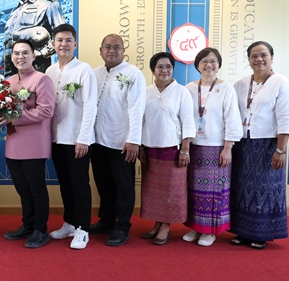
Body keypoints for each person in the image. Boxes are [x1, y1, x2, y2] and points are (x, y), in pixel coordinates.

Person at [231, 41, 289, 249]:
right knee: (241, 188)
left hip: (268, 144)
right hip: (242, 143)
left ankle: (260, 234)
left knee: (264, 189)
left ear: (272, 57)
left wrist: (280, 150)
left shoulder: (281, 83)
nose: (259, 59)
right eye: (254, 56)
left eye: (263, 55)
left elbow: (285, 119)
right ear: (248, 60)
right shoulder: (240, 84)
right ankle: (242, 232)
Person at [89, 33, 145, 246]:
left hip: (122, 142)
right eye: (107, 46)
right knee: (103, 183)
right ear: (101, 50)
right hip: (98, 140)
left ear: (123, 51)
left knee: (124, 185)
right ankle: (106, 220)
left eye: (117, 47)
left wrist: (134, 140)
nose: (111, 50)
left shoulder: (133, 74)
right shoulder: (94, 73)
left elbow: (137, 108)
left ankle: (122, 226)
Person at [183, 48, 242, 246]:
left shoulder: (226, 88)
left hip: (216, 146)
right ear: (197, 65)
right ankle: (196, 227)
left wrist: (228, 148)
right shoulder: (189, 88)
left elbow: (232, 119)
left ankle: (210, 230)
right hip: (194, 146)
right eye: (205, 61)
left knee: (214, 191)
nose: (209, 64)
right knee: (193, 189)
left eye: (214, 61)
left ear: (219, 64)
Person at [45, 24, 97, 249]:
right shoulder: (50, 71)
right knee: (64, 184)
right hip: (57, 139)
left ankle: (83, 229)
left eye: (68, 40)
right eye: (59, 40)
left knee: (79, 185)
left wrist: (83, 138)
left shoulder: (84, 69)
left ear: (75, 44)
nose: (63, 44)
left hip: (77, 139)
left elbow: (90, 106)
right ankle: (70, 222)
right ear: (53, 44)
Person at [3, 39, 55, 248]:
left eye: (25, 53)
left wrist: (14, 117)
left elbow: (46, 110)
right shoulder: (8, 82)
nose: (20, 57)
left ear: (34, 56)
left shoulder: (42, 80)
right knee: (23, 189)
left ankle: (41, 229)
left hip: (34, 145)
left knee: (36, 189)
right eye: (16, 53)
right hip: (13, 144)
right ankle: (28, 224)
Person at [139, 52, 195, 245]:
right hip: (149, 148)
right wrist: (139, 146)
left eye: (168, 67)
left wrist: (185, 150)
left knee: (170, 191)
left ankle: (166, 226)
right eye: (160, 67)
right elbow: (140, 120)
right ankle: (156, 223)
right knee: (153, 191)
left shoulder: (181, 92)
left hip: (173, 149)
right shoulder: (145, 91)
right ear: (153, 70)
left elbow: (188, 121)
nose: (164, 70)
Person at [3, 0, 65, 76]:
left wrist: (41, 53)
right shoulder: (15, 11)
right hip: (10, 70)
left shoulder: (48, 4)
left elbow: (61, 37)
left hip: (35, 70)